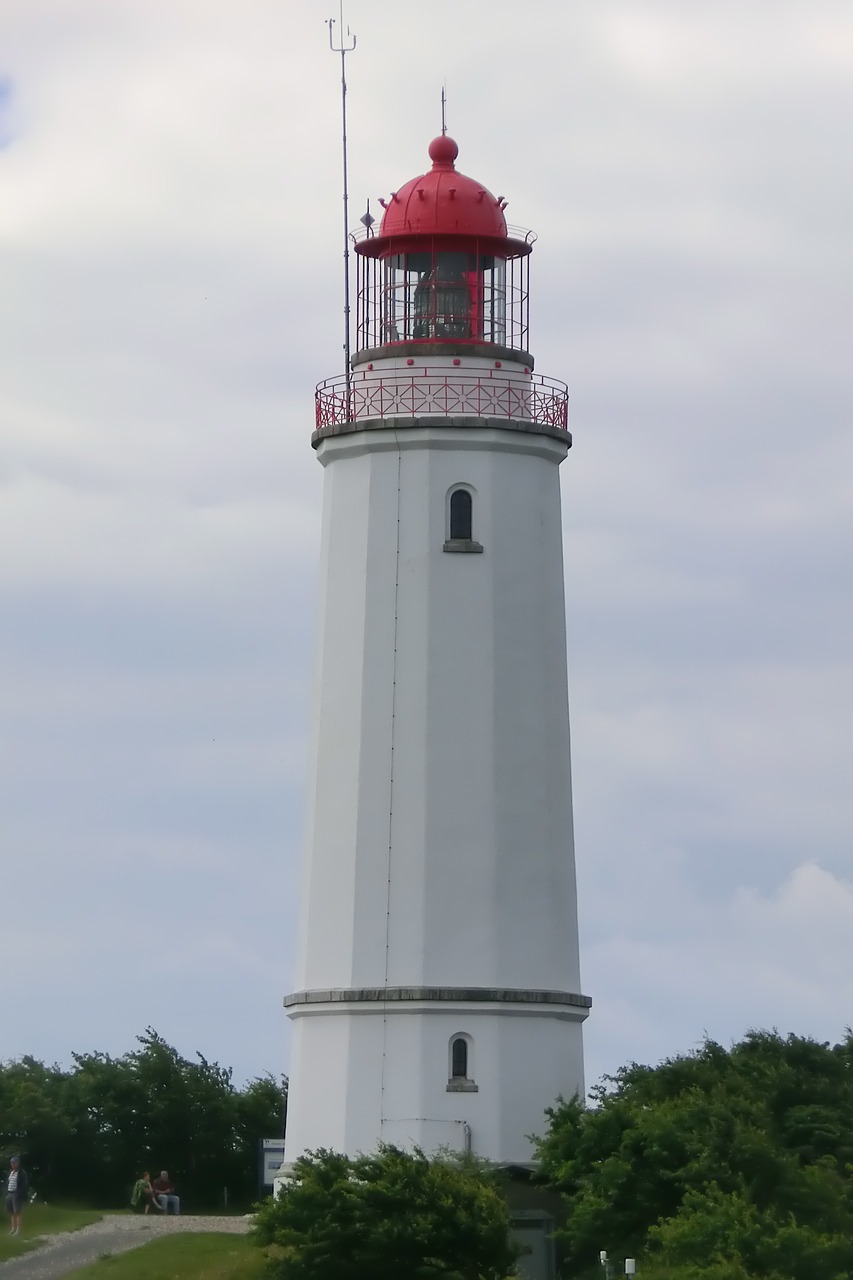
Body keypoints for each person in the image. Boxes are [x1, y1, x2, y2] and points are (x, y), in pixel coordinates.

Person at [5, 1156, 29, 1237]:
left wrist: (19, 1193)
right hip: (10, 1193)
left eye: (14, 1163)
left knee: (17, 1212)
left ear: (18, 1163)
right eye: (12, 1163)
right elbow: (7, 1181)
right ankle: (13, 1228)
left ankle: (18, 1230)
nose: (13, 1164)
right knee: (12, 1212)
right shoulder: (10, 1172)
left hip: (16, 1193)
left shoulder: (21, 1172)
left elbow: (24, 1184)